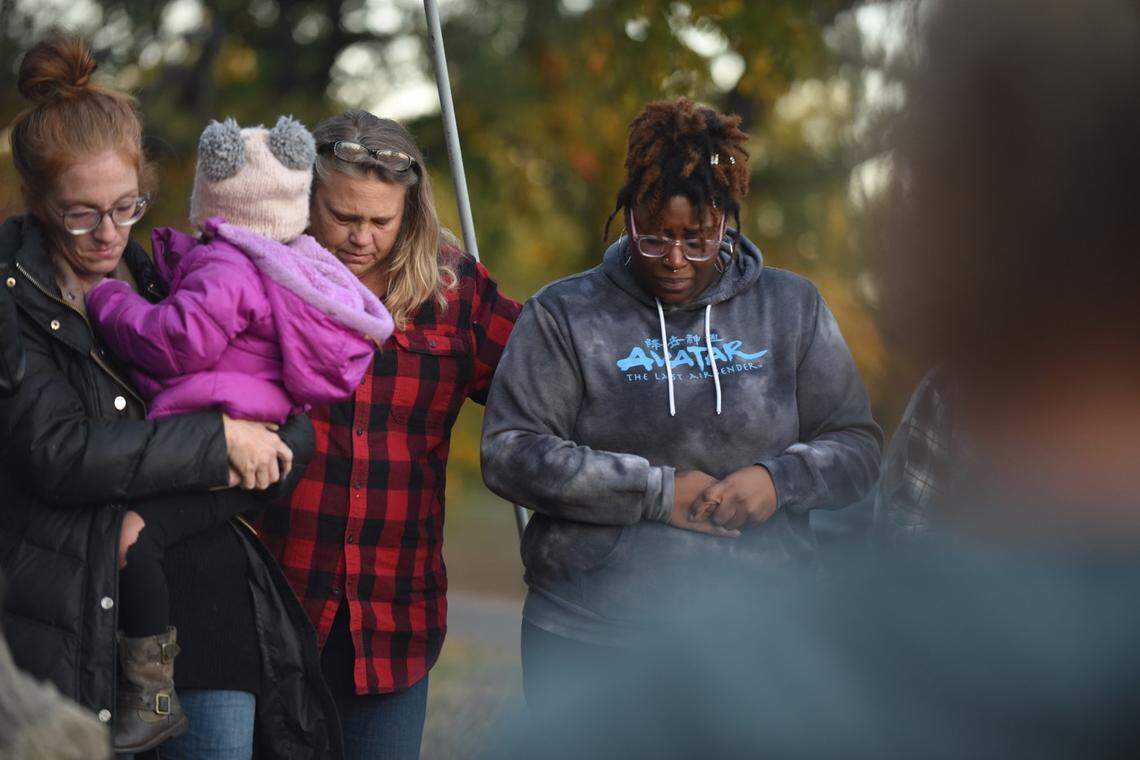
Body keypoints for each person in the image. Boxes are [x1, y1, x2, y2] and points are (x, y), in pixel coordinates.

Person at [0, 34, 342, 759]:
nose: (107, 233)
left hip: (210, 612)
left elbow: (289, 427)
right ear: (37, 201)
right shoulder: (15, 298)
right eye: (80, 214)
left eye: (126, 206)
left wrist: (259, 443)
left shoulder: (169, 275)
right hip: (71, 621)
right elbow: (58, 453)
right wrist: (220, 444)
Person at [480, 97, 882, 708]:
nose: (673, 259)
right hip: (591, 634)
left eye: (695, 240)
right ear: (627, 215)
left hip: (758, 634)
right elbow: (510, 452)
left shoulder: (791, 307)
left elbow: (857, 447)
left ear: (725, 223)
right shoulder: (565, 314)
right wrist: (655, 491)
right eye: (654, 236)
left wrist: (779, 481)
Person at [82, 115, 393, 751]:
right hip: (257, 434)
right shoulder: (291, 265)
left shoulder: (228, 265)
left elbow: (176, 342)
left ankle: (150, 694)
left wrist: (109, 302)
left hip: (215, 435)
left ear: (216, 193)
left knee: (134, 538)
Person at [258, 110, 522, 759]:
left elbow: (552, 380)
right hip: (271, 607)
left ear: (411, 210)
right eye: (343, 216)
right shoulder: (261, 274)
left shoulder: (456, 293)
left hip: (394, 622)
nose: (361, 238)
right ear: (306, 198)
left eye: (381, 221)